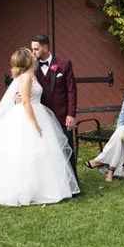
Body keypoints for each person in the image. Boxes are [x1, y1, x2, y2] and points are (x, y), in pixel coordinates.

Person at [0, 47, 79, 206]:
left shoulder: (33, 75)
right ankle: (22, 189)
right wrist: (35, 124)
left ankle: (41, 186)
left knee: (41, 153)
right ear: (29, 60)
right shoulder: (25, 77)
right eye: (31, 54)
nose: (34, 54)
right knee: (23, 152)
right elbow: (25, 101)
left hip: (38, 111)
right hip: (27, 116)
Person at [31, 34, 78, 177]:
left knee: (66, 147)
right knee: (45, 150)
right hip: (42, 116)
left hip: (62, 115)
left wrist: (71, 114)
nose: (33, 52)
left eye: (36, 49)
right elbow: (22, 82)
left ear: (46, 47)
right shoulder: (31, 66)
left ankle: (72, 182)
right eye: (32, 49)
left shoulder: (64, 64)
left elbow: (72, 90)